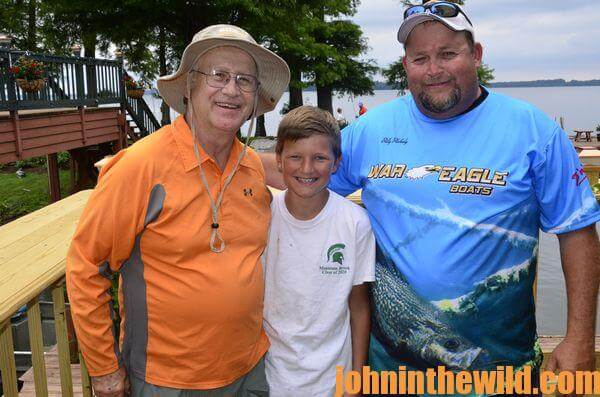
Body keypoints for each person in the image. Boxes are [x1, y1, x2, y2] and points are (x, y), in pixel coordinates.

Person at [261, 1, 600, 390]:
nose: (434, 69)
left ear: (476, 55)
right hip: (390, 376)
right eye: (420, 57)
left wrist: (578, 339)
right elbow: (301, 168)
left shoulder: (533, 131)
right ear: (406, 66)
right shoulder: (371, 130)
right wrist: (224, 159)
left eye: (448, 54)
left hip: (505, 374)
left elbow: (577, 232)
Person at [66, 24, 290, 397]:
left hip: (249, 369)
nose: (231, 90)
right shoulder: (140, 167)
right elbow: (86, 265)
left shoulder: (251, 166)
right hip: (166, 380)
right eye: (218, 75)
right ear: (189, 87)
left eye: (245, 81)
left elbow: (311, 177)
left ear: (254, 98)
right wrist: (103, 369)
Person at [263, 105, 375, 396]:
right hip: (271, 375)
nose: (307, 169)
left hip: (333, 380)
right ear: (278, 160)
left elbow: (359, 306)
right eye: (295, 157)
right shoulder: (263, 217)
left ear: (336, 163)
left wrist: (357, 378)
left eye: (320, 158)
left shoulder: (355, 223)